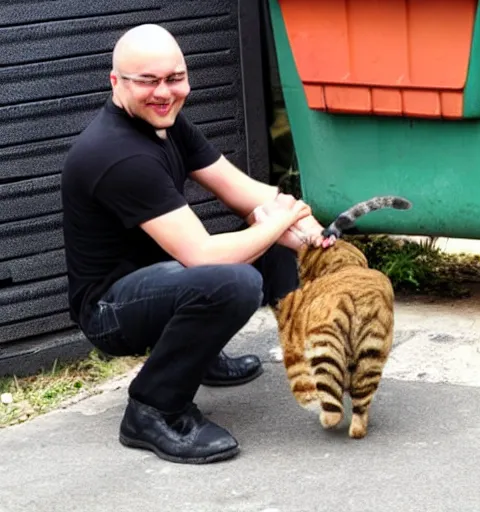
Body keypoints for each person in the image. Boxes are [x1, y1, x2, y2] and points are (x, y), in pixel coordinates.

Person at [61, 23, 331, 465]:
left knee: (271, 235)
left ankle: (297, 351)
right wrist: (279, 222)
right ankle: (153, 409)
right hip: (110, 311)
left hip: (160, 280)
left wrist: (312, 233)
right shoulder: (118, 154)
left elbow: (247, 192)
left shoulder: (167, 124)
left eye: (174, 78)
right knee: (233, 280)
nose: (164, 92)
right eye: (147, 81)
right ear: (116, 82)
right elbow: (202, 255)